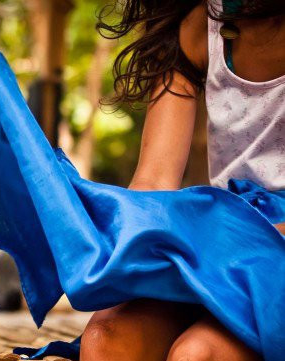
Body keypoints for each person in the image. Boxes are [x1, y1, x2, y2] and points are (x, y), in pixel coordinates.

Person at [80, 1, 285, 360]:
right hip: (226, 240)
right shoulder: (197, 24)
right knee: (105, 339)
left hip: (257, 245)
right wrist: (112, 231)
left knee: (196, 355)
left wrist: (227, 246)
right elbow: (154, 179)